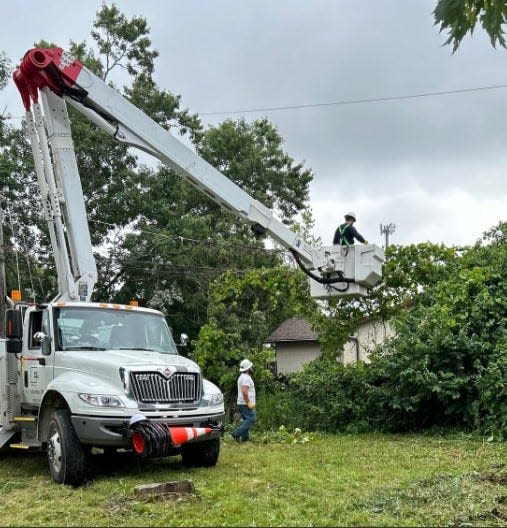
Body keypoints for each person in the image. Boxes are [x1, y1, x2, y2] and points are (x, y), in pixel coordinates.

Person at [231, 358, 256, 442]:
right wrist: (248, 402)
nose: (252, 368)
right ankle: (236, 433)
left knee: (246, 419)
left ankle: (245, 439)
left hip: (242, 403)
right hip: (245, 403)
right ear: (248, 369)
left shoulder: (243, 377)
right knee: (251, 419)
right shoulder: (245, 378)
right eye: (251, 367)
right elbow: (245, 392)